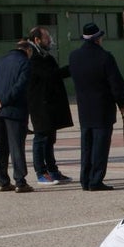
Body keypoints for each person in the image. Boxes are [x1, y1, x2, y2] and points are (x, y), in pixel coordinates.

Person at [71, 22, 124, 191]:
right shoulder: (105, 57)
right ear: (97, 39)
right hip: (102, 108)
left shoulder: (74, 56)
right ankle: (95, 180)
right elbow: (116, 83)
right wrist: (122, 102)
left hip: (84, 109)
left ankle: (85, 179)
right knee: (100, 147)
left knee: (86, 146)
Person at [0, 40, 34, 193]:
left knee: (2, 147)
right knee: (16, 146)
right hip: (15, 110)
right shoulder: (25, 63)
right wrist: (3, 101)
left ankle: (3, 180)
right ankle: (20, 181)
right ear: (28, 50)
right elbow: (20, 86)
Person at [27, 27, 74, 185]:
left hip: (50, 105)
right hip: (40, 105)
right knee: (41, 138)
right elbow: (49, 75)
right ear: (37, 40)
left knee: (50, 139)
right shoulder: (33, 58)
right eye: (46, 38)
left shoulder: (45, 56)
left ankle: (53, 170)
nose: (50, 40)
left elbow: (53, 75)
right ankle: (41, 172)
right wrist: (70, 68)